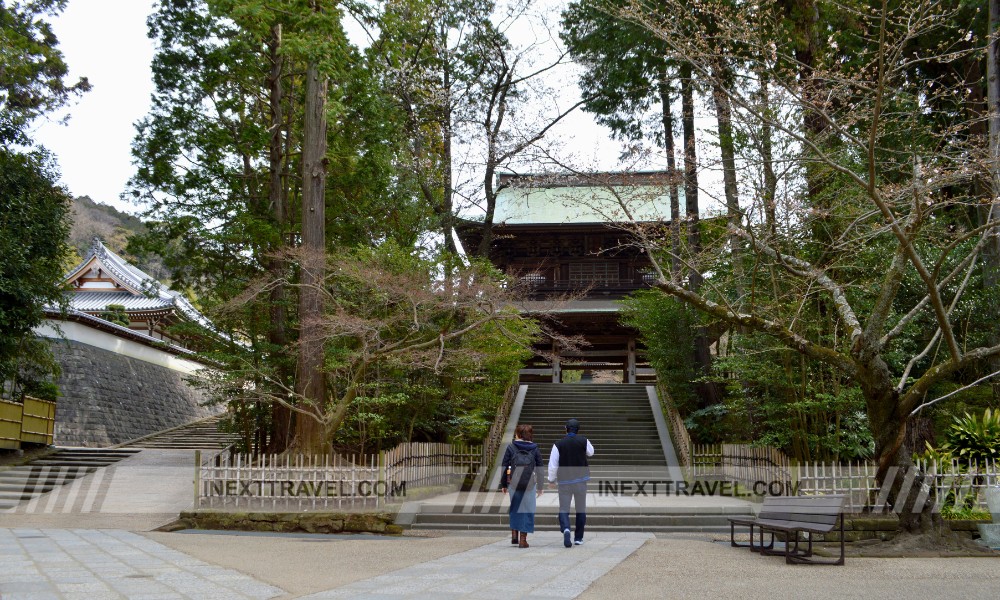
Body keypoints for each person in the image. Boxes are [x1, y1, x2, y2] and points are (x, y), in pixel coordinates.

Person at [548, 418, 594, 548]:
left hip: (564, 482)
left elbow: (553, 465)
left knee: (564, 508)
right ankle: (578, 538)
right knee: (580, 509)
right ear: (578, 429)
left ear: (566, 429)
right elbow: (591, 452)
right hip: (580, 481)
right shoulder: (584, 441)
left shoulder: (558, 444)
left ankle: (566, 528)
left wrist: (551, 480)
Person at [500, 424, 544, 548]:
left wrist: (504, 484)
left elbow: (504, 466)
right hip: (529, 484)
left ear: (518, 435)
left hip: (513, 483)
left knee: (515, 507)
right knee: (527, 509)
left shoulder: (511, 447)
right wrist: (540, 486)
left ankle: (514, 532)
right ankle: (523, 540)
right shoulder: (534, 448)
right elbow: (540, 468)